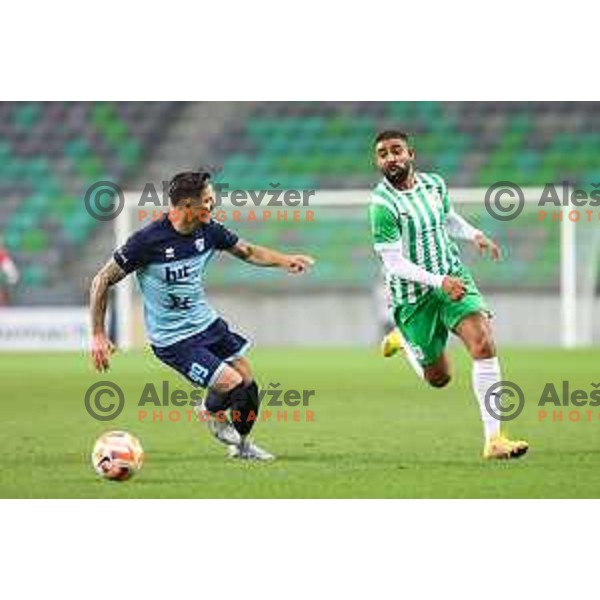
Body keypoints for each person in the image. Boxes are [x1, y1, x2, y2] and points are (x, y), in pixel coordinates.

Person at [89, 171, 314, 460]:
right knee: (231, 382)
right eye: (207, 201)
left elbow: (246, 251)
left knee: (247, 383)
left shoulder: (209, 230)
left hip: (206, 324)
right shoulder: (147, 241)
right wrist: (97, 333)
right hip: (173, 339)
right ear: (185, 206)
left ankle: (242, 446)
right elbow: (101, 280)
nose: (213, 204)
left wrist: (285, 261)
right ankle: (210, 411)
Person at [369, 130, 528, 460]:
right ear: (378, 162)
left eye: (396, 150)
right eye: (383, 154)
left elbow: (447, 218)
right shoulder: (382, 205)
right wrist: (438, 282)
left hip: (453, 278)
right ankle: (404, 342)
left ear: (411, 154)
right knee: (439, 378)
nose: (390, 158)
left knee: (483, 343)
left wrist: (474, 234)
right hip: (413, 296)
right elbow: (394, 263)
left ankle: (494, 439)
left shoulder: (434, 184)